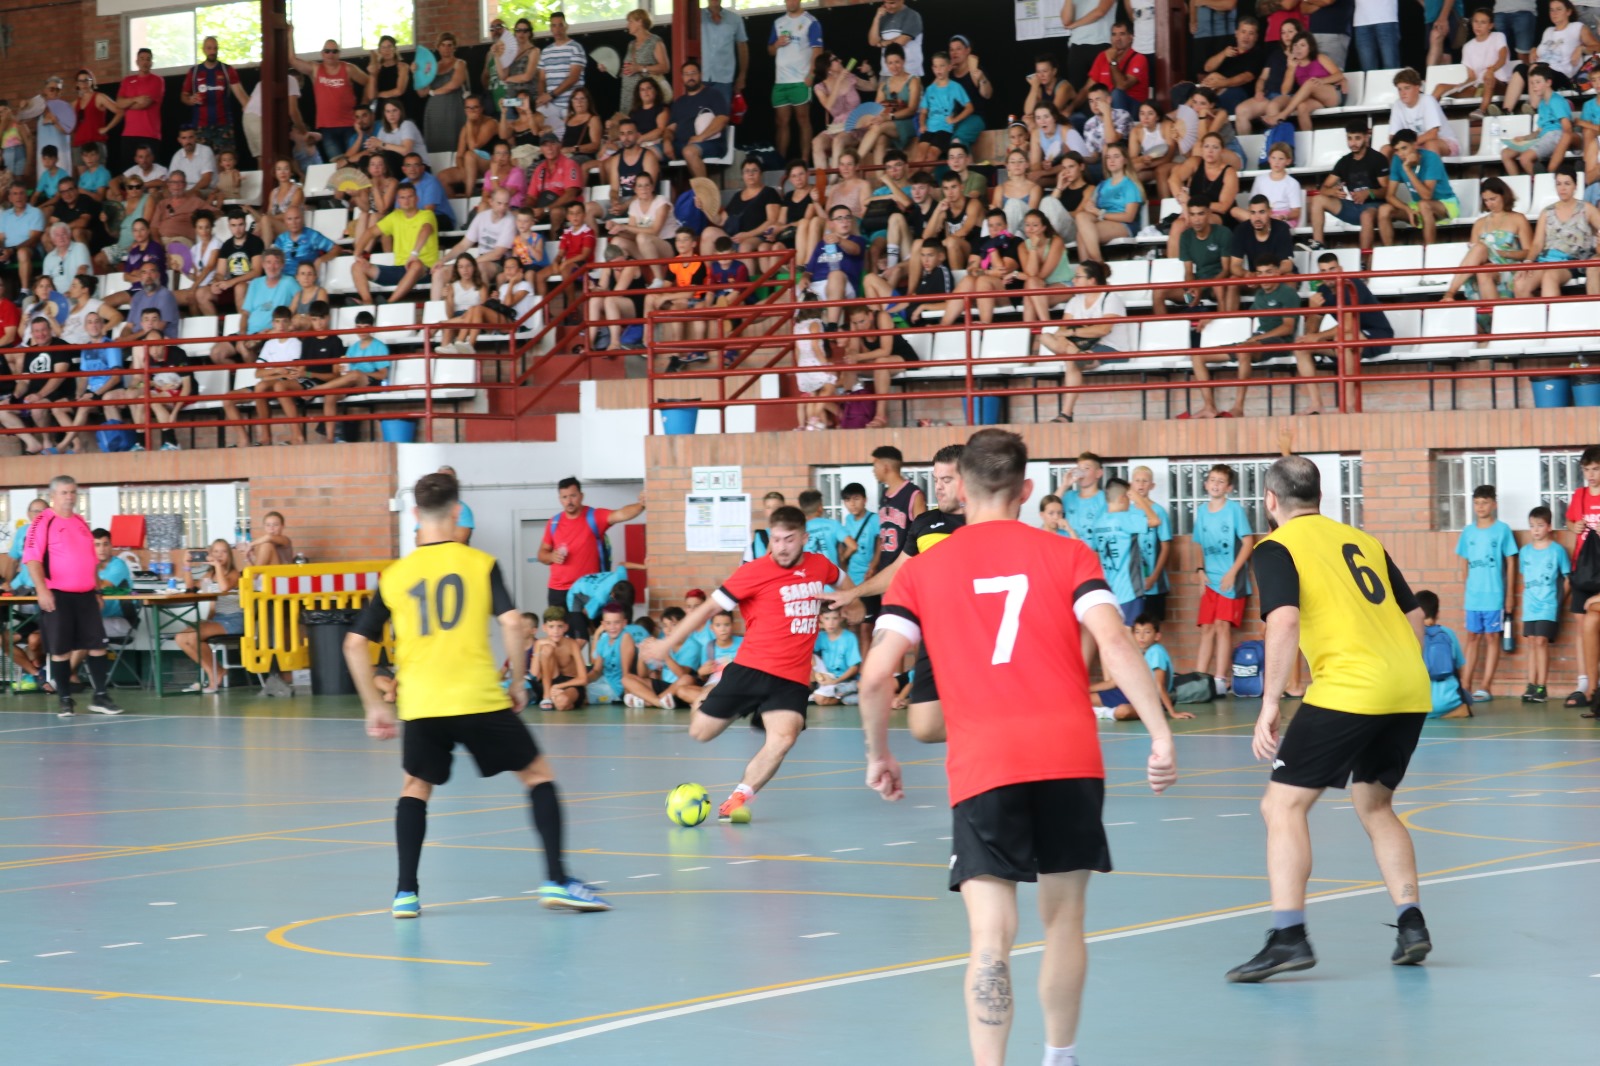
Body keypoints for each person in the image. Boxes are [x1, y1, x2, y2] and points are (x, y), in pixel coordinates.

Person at [857, 429, 1174, 1066]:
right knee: (1064, 921)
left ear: (960, 489)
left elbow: (873, 676)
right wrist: (1160, 734)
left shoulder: (921, 569)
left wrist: (878, 753)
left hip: (984, 764)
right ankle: (1060, 1056)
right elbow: (1115, 645)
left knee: (990, 936)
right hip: (1069, 756)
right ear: (1026, 491)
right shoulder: (1069, 554)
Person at [346, 472, 609, 918]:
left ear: (415, 516)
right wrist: (518, 682)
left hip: (422, 703)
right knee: (537, 774)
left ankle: (405, 893)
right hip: (477, 697)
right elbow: (511, 623)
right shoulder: (479, 563)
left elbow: (354, 643)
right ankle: (556, 878)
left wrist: (374, 707)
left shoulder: (395, 575)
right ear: (455, 513)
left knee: (415, 786)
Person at [1227, 455, 1432, 982]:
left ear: (1270, 501)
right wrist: (1393, 668)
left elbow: (1286, 619)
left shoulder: (1277, 547)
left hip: (1350, 687)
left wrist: (1270, 702)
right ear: (1320, 498)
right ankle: (1412, 924)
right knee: (1376, 802)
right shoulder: (1363, 541)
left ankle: (1288, 936)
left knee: (1282, 806)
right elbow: (1414, 615)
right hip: (1408, 687)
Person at [642, 504, 855, 821]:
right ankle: (715, 691)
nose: (782, 547)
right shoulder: (753, 572)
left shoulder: (820, 565)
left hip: (793, 677)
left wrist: (854, 604)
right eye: (776, 539)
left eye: (789, 540)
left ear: (804, 538)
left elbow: (846, 585)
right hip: (751, 669)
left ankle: (736, 800)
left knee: (783, 738)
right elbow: (706, 610)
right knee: (700, 733)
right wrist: (667, 644)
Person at [24, 476, 122, 718]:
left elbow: (90, 559)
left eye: (73, 492)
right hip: (57, 594)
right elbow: (33, 559)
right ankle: (65, 699)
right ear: (53, 497)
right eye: (65, 492)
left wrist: (97, 589)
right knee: (60, 649)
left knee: (97, 645)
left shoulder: (80, 522)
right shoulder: (42, 521)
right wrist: (42, 590)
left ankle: (100, 696)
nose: (70, 497)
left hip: (86, 594)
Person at [539, 479, 646, 642]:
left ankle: (594, 666)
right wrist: (551, 556)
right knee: (557, 638)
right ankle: (567, 667)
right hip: (558, 590)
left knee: (599, 634)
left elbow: (620, 514)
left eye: (573, 495)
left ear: (581, 496)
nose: (569, 501)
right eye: (564, 497)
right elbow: (541, 554)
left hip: (589, 591)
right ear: (560, 499)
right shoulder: (553, 523)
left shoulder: (594, 517)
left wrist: (641, 505)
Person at [1192, 258, 1298, 419]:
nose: (1263, 277)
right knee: (1197, 356)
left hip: (1280, 342)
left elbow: (1287, 328)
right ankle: (1209, 407)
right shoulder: (1260, 294)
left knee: (1244, 350)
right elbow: (1244, 313)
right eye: (1260, 273)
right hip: (1256, 341)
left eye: (1268, 272)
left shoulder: (1288, 293)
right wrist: (1214, 317)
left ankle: (1238, 408)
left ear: (1277, 272)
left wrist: (1257, 339)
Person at [1193, 463, 1255, 697]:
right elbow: (1197, 542)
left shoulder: (1234, 510)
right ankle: (1199, 678)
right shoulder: (1202, 511)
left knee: (1222, 626)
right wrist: (1199, 571)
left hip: (1230, 580)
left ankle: (1220, 679)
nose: (1215, 484)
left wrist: (1232, 572)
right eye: (1212, 480)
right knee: (1207, 627)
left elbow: (1248, 542)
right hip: (1209, 579)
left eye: (1221, 481)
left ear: (1228, 487)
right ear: (1206, 484)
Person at [1454, 484, 1518, 703]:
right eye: (1477, 503)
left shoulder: (1502, 530)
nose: (1480, 507)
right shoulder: (1468, 531)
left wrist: (1509, 595)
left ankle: (1486, 686)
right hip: (1474, 596)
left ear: (1494, 504)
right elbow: (1463, 561)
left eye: (1485, 502)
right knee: (1472, 638)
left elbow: (1511, 562)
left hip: (1494, 595)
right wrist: (1467, 586)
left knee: (1492, 638)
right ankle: (1465, 685)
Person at [1498, 0, 1598, 115]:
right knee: (1520, 68)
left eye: (1559, 9)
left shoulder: (1577, 27)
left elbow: (1597, 46)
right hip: (1539, 74)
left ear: (1568, 12)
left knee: (1536, 69)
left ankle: (1535, 109)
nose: (1554, 13)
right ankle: (1506, 111)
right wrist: (1534, 50)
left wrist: (1581, 49)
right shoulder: (1548, 31)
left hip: (1562, 77)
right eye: (1551, 10)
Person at [171, 538, 244, 694]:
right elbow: (191, 588)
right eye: (216, 551)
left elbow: (224, 587)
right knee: (181, 638)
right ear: (210, 553)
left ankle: (213, 675)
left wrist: (217, 565)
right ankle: (216, 671)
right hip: (217, 619)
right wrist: (186, 566)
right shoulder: (210, 575)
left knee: (192, 637)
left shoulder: (234, 574)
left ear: (230, 555)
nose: (219, 555)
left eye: (224, 552)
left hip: (234, 619)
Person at [1441, 177, 1531, 302]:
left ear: (1503, 195)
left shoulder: (1518, 219)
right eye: (1486, 200)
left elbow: (1528, 252)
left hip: (1507, 267)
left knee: (1480, 250)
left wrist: (1502, 253)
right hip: (1485, 267)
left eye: (1493, 199)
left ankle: (1450, 294)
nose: (1490, 204)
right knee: (1481, 262)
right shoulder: (1479, 223)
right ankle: (1492, 316)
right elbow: (1473, 255)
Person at [1303, 122, 1387, 254]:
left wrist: (1369, 193)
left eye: (1357, 138)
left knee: (1366, 216)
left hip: (1376, 207)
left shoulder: (1377, 159)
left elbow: (1386, 192)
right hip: (1354, 207)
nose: (1353, 143)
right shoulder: (1344, 162)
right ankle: (1318, 244)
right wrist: (1333, 192)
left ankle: (1363, 262)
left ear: (1366, 137)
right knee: (1318, 199)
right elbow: (1324, 187)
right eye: (1349, 138)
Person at [1515, 168, 1600, 298]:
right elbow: (1537, 244)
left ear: (1575, 186)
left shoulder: (1586, 208)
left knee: (1550, 276)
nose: (1562, 188)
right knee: (1520, 283)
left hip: (1573, 261)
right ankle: (1534, 317)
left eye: (1567, 183)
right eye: (1559, 184)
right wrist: (1528, 262)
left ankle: (1556, 317)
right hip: (1546, 260)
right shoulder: (1547, 212)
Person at [1088, 477, 1163, 625]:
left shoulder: (1098, 523)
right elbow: (1155, 520)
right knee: (1131, 639)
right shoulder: (1125, 518)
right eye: (1129, 498)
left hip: (1108, 592)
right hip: (1129, 591)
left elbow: (1094, 553)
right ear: (1123, 498)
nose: (1130, 503)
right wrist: (1140, 499)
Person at [1514, 505, 1569, 704]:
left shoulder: (1557, 551)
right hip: (1530, 606)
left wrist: (1558, 600)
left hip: (1548, 605)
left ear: (1549, 527)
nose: (1535, 529)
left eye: (1540, 525)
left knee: (1541, 642)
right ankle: (1531, 684)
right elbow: (1525, 578)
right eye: (1532, 526)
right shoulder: (1525, 552)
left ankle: (1541, 687)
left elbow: (1567, 579)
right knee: (1531, 643)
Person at [350, 183, 437, 306]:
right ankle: (368, 302)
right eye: (402, 197)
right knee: (356, 266)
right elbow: (370, 232)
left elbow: (426, 230)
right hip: (400, 270)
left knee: (416, 265)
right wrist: (357, 253)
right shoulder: (395, 216)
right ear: (398, 201)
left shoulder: (427, 214)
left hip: (425, 270)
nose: (406, 201)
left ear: (417, 199)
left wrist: (414, 254)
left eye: (410, 197)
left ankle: (388, 303)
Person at [1093, 615, 1193, 721]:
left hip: (1149, 701)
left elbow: (1159, 685)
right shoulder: (1139, 652)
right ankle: (1098, 711)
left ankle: (1101, 712)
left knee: (1122, 712)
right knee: (1084, 698)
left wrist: (1172, 712)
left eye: (1147, 632)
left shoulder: (1156, 651)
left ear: (1157, 636)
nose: (1141, 636)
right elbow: (1113, 683)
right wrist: (1084, 689)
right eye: (1137, 632)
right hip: (1130, 694)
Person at [289, 40, 370, 162]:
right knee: (336, 164)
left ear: (339, 54)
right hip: (327, 128)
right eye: (327, 51)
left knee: (354, 161)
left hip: (350, 124)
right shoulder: (316, 68)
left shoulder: (348, 68)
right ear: (322, 54)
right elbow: (293, 61)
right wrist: (290, 35)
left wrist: (364, 103)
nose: (330, 54)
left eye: (334, 51)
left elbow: (369, 82)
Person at [1378, 129, 1458, 247]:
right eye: (1397, 150)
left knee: (1424, 205)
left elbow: (1427, 196)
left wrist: (1407, 169)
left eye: (1404, 148)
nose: (1400, 154)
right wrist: (1407, 209)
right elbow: (1389, 196)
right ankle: (1389, 254)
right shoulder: (1396, 160)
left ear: (1415, 145)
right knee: (1384, 209)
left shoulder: (1432, 158)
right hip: (1417, 205)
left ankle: (1428, 253)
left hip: (1445, 204)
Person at [1156, 202, 1235, 315]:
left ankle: (1223, 327)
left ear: (1208, 214)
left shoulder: (1223, 232)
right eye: (1192, 215)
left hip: (1216, 286)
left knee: (1219, 286)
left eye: (1200, 214)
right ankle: (1165, 330)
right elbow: (1188, 271)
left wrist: (1200, 286)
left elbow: (1226, 270)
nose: (1196, 219)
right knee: (1158, 293)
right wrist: (1193, 287)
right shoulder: (1186, 236)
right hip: (1197, 289)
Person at [769, 0, 824, 160]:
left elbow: (817, 52)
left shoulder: (811, 21)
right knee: (781, 122)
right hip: (780, 81)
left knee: (803, 120)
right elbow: (770, 50)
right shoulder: (778, 22)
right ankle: (780, 163)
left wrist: (811, 75)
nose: (790, 2)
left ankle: (805, 162)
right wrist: (777, 44)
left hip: (800, 79)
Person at [664, 60, 730, 180]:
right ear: (682, 78)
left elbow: (722, 119)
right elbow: (670, 128)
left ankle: (704, 195)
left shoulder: (713, 94)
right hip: (681, 144)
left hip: (710, 143)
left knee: (689, 151)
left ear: (700, 74)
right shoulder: (679, 102)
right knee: (650, 153)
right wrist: (667, 141)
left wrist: (701, 137)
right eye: (686, 74)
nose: (690, 77)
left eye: (693, 73)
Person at [1503, 66, 1574, 176]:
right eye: (1532, 83)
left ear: (1548, 82)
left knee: (1525, 158)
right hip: (1543, 137)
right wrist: (1524, 138)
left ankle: (1541, 184)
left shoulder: (1557, 101)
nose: (1534, 87)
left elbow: (1566, 128)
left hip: (1555, 135)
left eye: (1538, 82)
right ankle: (1517, 184)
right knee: (1506, 154)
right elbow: (1539, 130)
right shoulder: (1541, 104)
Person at [1415, 589, 1471, 719]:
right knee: (1465, 700)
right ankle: (1452, 711)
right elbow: (1462, 670)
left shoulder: (1410, 635)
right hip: (1449, 701)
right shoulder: (1449, 634)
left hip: (1418, 705)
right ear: (1438, 613)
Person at [535, 12, 588, 137]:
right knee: (537, 123)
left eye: (560, 25)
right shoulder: (546, 51)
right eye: (554, 26)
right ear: (550, 28)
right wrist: (542, 96)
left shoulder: (576, 47)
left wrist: (551, 95)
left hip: (571, 103)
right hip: (551, 104)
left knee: (565, 137)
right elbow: (541, 79)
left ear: (566, 26)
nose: (557, 29)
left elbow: (573, 78)